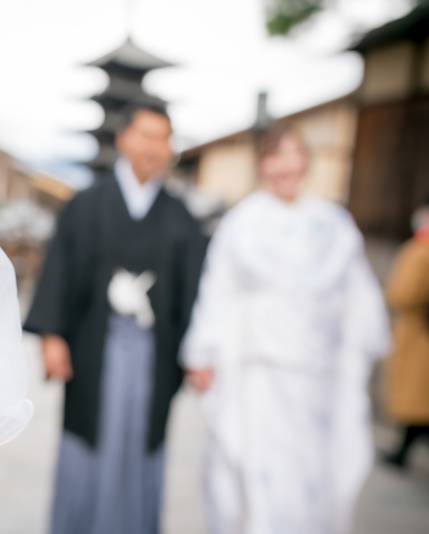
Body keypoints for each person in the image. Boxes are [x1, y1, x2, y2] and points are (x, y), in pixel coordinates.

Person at [181, 124, 390, 534]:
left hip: (319, 374)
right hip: (260, 371)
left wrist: (368, 338)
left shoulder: (333, 222)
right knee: (259, 469)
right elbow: (217, 290)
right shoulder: (243, 221)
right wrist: (202, 353)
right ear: (262, 165)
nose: (286, 166)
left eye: (294, 154)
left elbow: (358, 293)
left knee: (314, 470)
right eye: (275, 155)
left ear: (307, 162)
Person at [24, 103, 206, 534]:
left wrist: (199, 348)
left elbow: (196, 291)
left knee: (143, 442)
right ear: (123, 139)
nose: (153, 146)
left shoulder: (180, 217)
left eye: (163, 138)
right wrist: (52, 336)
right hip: (92, 345)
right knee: (88, 437)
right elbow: (60, 271)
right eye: (145, 135)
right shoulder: (86, 205)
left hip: (153, 352)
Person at [383, 201, 429, 468]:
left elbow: (402, 293)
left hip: (417, 332)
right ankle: (403, 449)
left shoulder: (418, 251)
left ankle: (402, 452)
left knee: (415, 396)